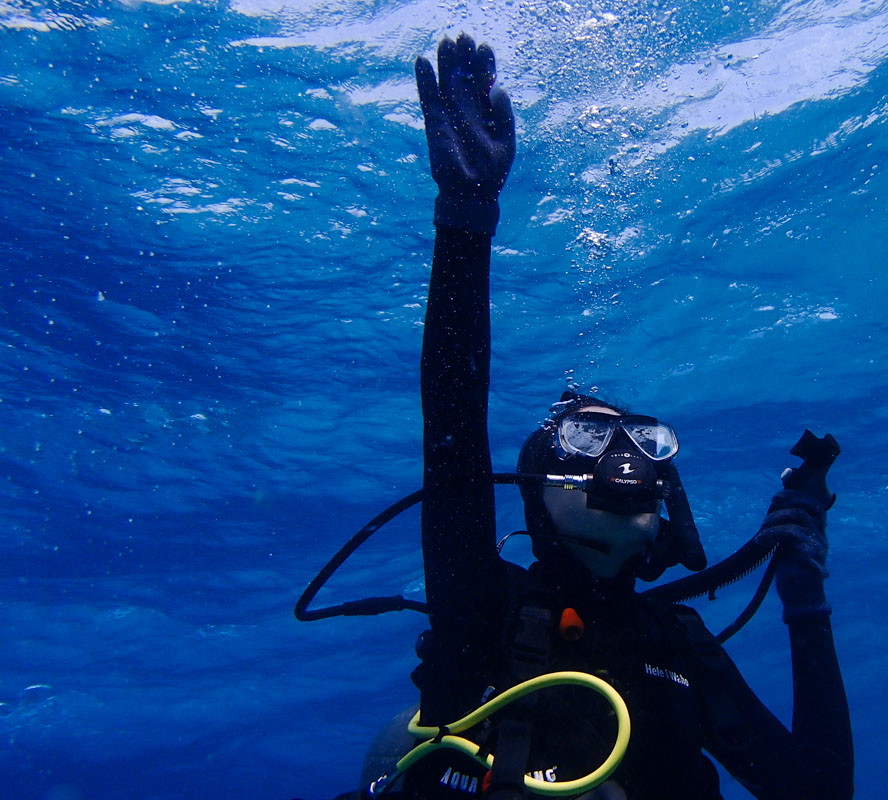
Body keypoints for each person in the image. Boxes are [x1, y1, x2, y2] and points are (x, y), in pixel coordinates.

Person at [340, 33, 853, 800]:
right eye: (586, 440)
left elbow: (819, 794)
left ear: (663, 505)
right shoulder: (485, 605)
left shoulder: (679, 646)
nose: (620, 461)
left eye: (644, 446)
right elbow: (451, 426)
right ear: (539, 482)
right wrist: (464, 223)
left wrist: (805, 602)